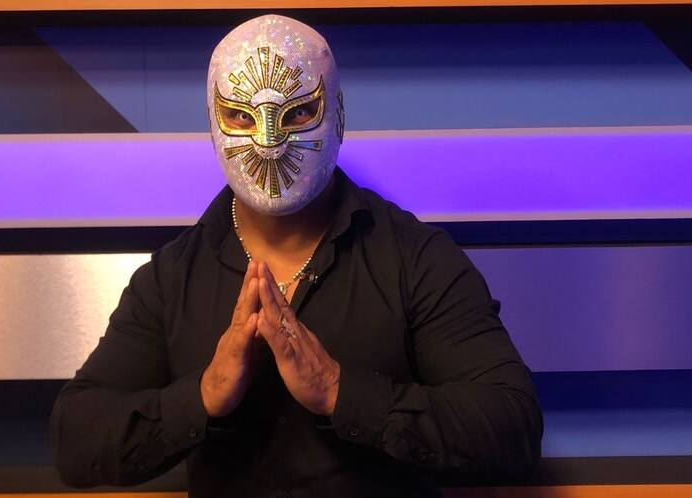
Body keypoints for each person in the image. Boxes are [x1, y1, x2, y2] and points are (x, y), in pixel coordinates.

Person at [50, 14, 543, 497]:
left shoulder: (415, 258)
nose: (269, 141)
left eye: (299, 113)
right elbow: (76, 439)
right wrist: (203, 396)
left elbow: (513, 428)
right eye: (241, 116)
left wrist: (340, 392)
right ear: (212, 124)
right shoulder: (171, 278)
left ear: (338, 116)